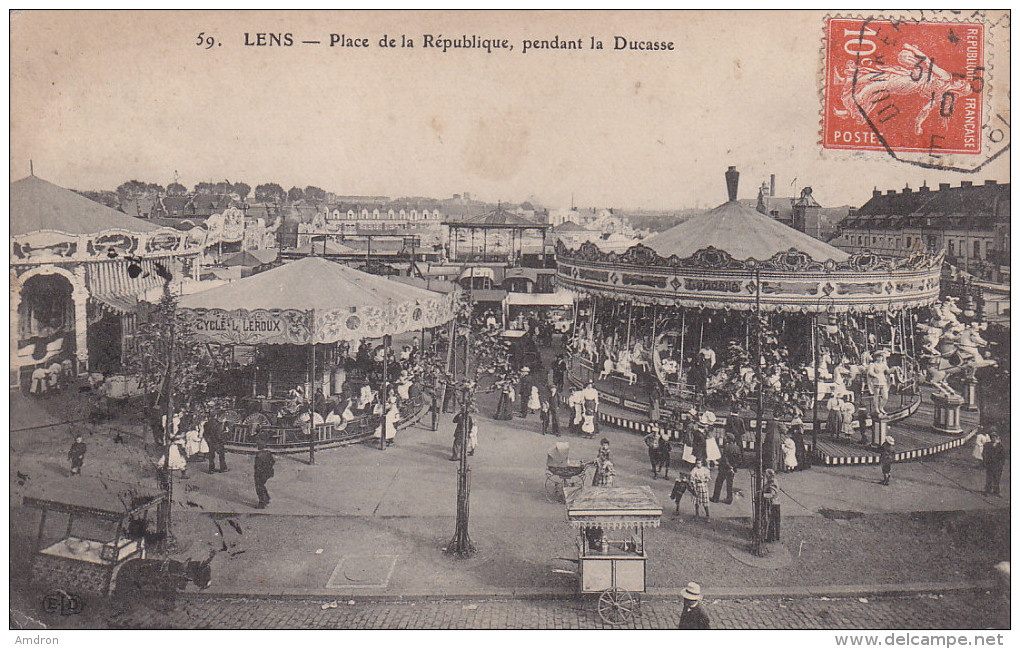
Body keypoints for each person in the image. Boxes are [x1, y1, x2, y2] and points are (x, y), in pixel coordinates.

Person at [711, 434, 741, 504]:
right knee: (729, 484)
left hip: (724, 468)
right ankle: (729, 499)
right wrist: (733, 467)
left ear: (728, 439)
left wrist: (728, 466)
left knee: (719, 482)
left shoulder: (726, 447)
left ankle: (715, 498)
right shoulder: (737, 448)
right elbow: (739, 460)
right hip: (732, 469)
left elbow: (725, 458)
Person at [253, 439, 275, 509]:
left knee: (259, 487)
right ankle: (267, 497)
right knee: (262, 485)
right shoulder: (268, 453)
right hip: (268, 473)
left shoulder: (258, 455)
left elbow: (257, 466)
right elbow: (273, 461)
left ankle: (262, 503)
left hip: (260, 474)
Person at [761, 468, 780, 542]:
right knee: (771, 521)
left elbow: (772, 494)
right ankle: (771, 536)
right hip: (772, 503)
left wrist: (762, 495)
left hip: (774, 504)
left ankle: (771, 537)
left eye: (766, 476)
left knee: (771, 521)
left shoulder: (773, 483)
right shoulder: (770, 481)